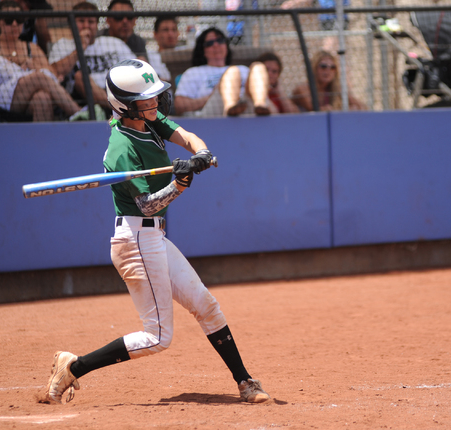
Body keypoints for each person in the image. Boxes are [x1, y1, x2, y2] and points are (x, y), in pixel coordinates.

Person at [39, 59, 271, 405]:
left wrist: (201, 153)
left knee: (206, 305)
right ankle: (73, 367)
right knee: (158, 336)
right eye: (146, 100)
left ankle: (245, 381)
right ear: (126, 106)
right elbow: (148, 204)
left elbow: (187, 136)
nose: (155, 104)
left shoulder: (148, 120)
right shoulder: (121, 149)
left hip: (152, 237)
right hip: (134, 240)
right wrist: (180, 184)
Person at [0, 1, 79, 121]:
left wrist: (33, 65)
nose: (14, 24)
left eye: (19, 19)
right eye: (9, 20)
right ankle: (79, 113)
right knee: (38, 77)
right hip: (1, 98)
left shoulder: (31, 47)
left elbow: (52, 75)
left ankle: (44, 138)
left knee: (42, 98)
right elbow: (43, 76)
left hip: (24, 100)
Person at [49, 1, 135, 109]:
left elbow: (136, 69)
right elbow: (54, 72)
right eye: (81, 21)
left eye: (91, 22)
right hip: (82, 99)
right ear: (71, 24)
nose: (86, 26)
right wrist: (80, 48)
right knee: (80, 76)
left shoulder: (113, 43)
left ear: (97, 25)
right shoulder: (62, 45)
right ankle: (121, 109)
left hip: (117, 91)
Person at [174, 27, 272, 117]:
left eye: (220, 41)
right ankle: (230, 107)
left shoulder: (244, 69)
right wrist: (213, 94)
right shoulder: (193, 72)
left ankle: (260, 104)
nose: (216, 45)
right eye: (210, 43)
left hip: (247, 108)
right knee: (232, 71)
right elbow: (179, 105)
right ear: (203, 50)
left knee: (258, 66)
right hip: (213, 113)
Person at [292, 50, 366, 112]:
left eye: (332, 67)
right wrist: (343, 110)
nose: (328, 71)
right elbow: (315, 109)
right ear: (314, 68)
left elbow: (362, 107)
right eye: (323, 66)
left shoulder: (337, 89)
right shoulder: (302, 89)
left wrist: (353, 107)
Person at [148, 15, 179, 82]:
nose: (170, 34)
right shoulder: (149, 58)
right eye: (165, 30)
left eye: (174, 30)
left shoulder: (185, 57)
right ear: (155, 34)